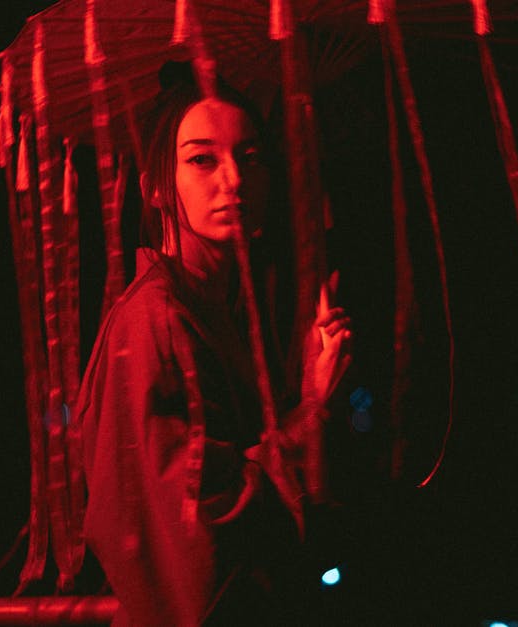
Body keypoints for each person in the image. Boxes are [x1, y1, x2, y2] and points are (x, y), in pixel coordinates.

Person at [78, 65, 351, 626]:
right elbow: (197, 530)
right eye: (202, 159)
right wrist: (310, 412)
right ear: (156, 186)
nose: (233, 178)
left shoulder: (219, 310)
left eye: (250, 157)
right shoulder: (155, 319)